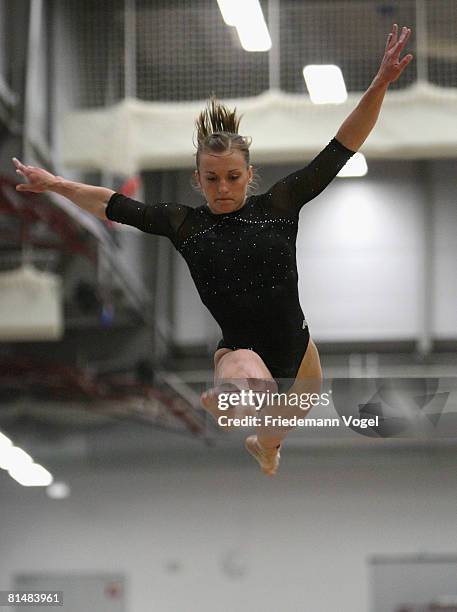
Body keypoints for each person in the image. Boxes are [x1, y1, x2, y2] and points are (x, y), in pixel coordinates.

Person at [12, 24, 413, 476]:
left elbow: (343, 145)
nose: (223, 188)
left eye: (233, 177)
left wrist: (378, 85)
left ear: (249, 174)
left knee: (273, 434)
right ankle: (231, 399)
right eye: (212, 179)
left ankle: (262, 440)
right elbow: (110, 203)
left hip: (300, 357)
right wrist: (56, 184)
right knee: (245, 369)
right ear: (197, 179)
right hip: (240, 351)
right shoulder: (186, 225)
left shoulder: (279, 206)